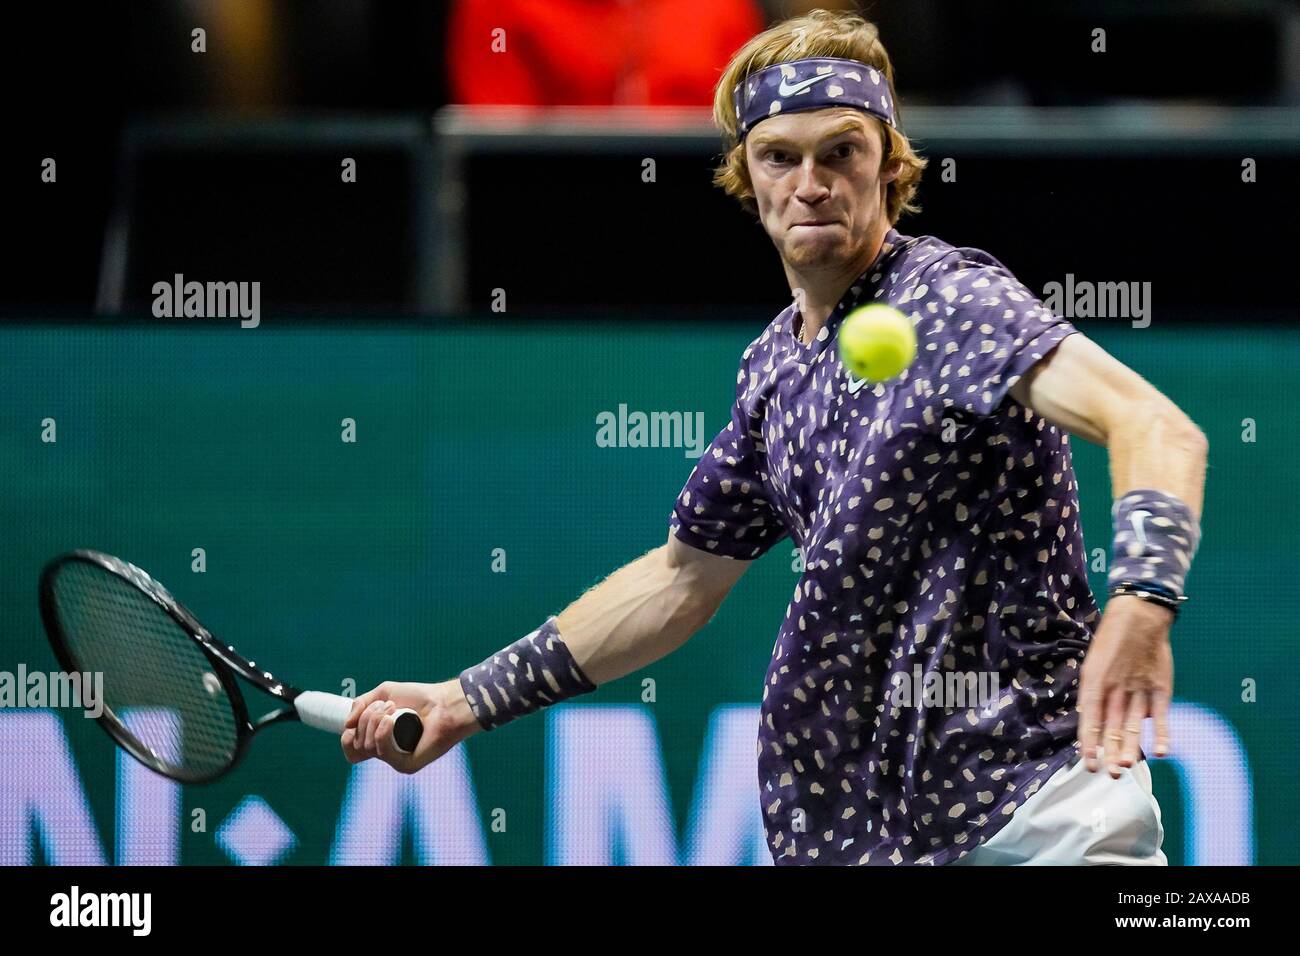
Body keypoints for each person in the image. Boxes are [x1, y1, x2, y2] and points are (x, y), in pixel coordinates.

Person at [344, 9, 1207, 866]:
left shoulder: (951, 302)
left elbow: (1155, 427)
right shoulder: (774, 370)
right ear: (746, 178)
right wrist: (464, 700)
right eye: (780, 157)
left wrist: (1141, 599)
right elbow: (680, 579)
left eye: (842, 152)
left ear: (889, 167)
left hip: (1044, 812)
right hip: (879, 841)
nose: (811, 182)